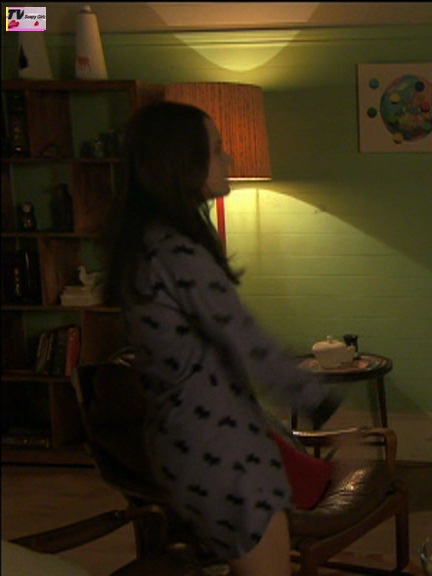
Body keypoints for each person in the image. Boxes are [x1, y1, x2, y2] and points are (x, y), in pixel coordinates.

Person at [100, 101, 343, 576]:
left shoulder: (146, 243)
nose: (228, 158)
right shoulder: (177, 253)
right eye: (216, 149)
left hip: (187, 442)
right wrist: (318, 398)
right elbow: (244, 337)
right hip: (218, 452)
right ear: (180, 163)